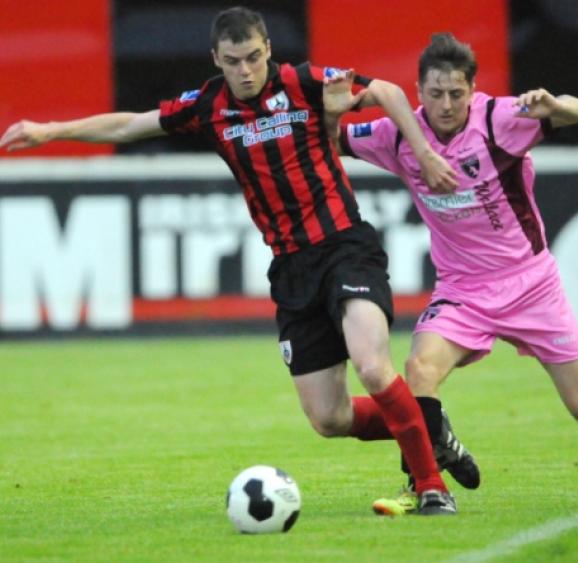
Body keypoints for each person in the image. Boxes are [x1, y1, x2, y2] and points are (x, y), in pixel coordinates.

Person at [0, 8, 464, 515]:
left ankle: (430, 485)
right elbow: (132, 125)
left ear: (268, 49)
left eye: (253, 57)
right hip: (290, 268)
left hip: (345, 247)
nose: (245, 70)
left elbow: (390, 93)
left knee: (374, 367)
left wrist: (422, 152)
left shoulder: (304, 81)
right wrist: (50, 130)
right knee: (328, 419)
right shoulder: (209, 105)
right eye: (233, 61)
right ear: (216, 60)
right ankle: (427, 425)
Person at [325, 32, 578, 515]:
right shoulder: (398, 135)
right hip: (463, 291)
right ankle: (423, 483)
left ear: (473, 90)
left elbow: (576, 111)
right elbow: (325, 144)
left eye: (456, 94)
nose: (446, 105)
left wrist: (553, 103)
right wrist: (334, 110)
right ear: (418, 92)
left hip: (531, 285)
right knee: (419, 370)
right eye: (436, 93)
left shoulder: (498, 119)